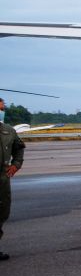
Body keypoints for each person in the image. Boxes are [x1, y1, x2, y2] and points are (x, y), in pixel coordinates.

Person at [0, 98, 25, 261]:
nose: (2, 111)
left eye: (2, 108)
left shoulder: (8, 131)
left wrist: (16, 164)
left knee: (2, 212)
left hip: (2, 178)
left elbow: (19, 148)